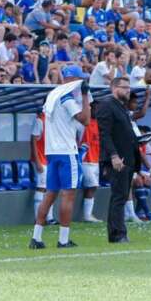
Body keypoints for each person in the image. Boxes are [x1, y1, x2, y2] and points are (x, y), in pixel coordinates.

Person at [30, 66, 91, 249]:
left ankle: (37, 237)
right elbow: (85, 119)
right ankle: (63, 240)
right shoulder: (67, 98)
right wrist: (86, 97)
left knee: (50, 194)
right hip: (66, 151)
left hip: (52, 151)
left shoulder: (52, 96)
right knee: (68, 194)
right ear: (73, 79)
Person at [95, 76, 138, 243]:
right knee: (118, 196)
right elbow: (104, 134)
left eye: (129, 87)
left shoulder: (121, 107)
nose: (128, 90)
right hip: (117, 159)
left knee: (122, 195)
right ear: (114, 88)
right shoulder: (106, 105)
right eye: (124, 87)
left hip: (127, 157)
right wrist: (113, 155)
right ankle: (116, 234)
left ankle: (121, 232)